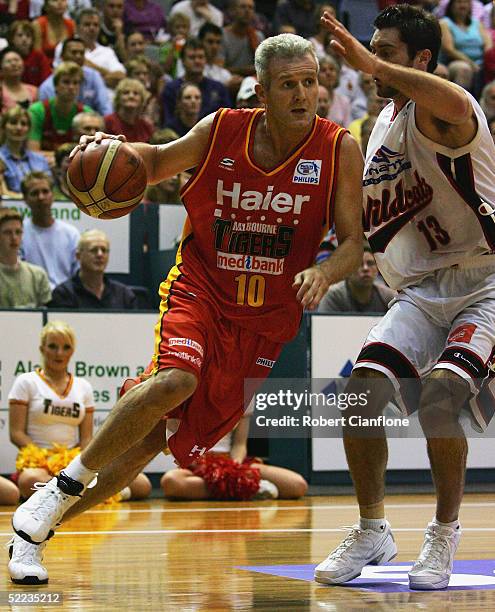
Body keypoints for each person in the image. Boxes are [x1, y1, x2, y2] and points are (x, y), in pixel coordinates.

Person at [8, 32, 363, 584]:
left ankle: (34, 530)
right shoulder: (222, 127)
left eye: (311, 82)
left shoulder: (338, 146)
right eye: (288, 85)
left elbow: (353, 244)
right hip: (202, 284)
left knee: (153, 439)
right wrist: (114, 152)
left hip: (264, 320)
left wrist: (324, 270)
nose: (302, 94)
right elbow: (151, 163)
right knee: (175, 381)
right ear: (262, 93)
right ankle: (61, 486)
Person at [313, 5, 495, 591]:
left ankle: (443, 535)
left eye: (383, 53)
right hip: (422, 289)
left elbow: (458, 103)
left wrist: (371, 64)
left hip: (485, 281)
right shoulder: (377, 133)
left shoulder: (446, 114)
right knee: (359, 393)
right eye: (371, 50)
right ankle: (373, 528)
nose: (370, 63)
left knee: (440, 399)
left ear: (421, 60)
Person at [7, 320, 150, 584]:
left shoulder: (83, 387)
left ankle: (78, 492)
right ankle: (47, 513)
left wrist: (74, 461)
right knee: (29, 481)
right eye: (53, 347)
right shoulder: (26, 381)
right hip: (37, 458)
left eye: (65, 347)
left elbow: (87, 439)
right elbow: (16, 433)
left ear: (72, 351)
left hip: (70, 460)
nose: (59, 353)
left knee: (140, 483)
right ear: (42, 349)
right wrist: (42, 456)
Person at [161, 405, 308, 501]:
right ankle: (245, 488)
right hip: (195, 462)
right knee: (172, 482)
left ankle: (234, 486)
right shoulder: (190, 382)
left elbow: (239, 444)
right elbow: (174, 438)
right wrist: (203, 466)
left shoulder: (244, 392)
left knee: (297, 485)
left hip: (229, 461)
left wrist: (233, 469)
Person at [49, 229, 139, 309]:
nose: (100, 255)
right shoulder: (63, 294)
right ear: (78, 256)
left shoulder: (124, 295)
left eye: (104, 250)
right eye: (93, 250)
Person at [20, 170, 80, 288]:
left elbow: (79, 274)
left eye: (45, 191)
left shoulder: (71, 234)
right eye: (34, 193)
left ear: (52, 195)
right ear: (25, 199)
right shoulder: (19, 233)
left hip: (66, 300)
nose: (41, 197)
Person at [161, 38, 231, 124]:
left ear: (206, 60)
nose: (197, 61)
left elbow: (228, 120)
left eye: (201, 57)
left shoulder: (219, 88)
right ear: (182, 61)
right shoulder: (171, 89)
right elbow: (168, 122)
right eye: (192, 57)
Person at [28, 61, 92, 154]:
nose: (71, 87)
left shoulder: (86, 114)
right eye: (66, 82)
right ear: (56, 85)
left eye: (75, 83)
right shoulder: (37, 111)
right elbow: (33, 153)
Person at [38, 37, 112, 117]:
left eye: (81, 53)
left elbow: (105, 107)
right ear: (62, 56)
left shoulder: (94, 76)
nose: (78, 56)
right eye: (74, 52)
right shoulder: (47, 87)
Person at [319, 246, 395, 314]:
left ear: (378, 269)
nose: (366, 268)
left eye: (370, 263)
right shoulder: (333, 296)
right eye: (359, 264)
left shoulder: (389, 297)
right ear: (347, 270)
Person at [0, 208, 51, 308]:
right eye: (7, 232)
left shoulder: (37, 275)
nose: (14, 237)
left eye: (18, 232)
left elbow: (45, 315)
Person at [439, 0, 492, 93]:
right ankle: (463, 103)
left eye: (466, 2)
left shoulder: (477, 23)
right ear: (451, 6)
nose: (463, 5)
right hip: (454, 61)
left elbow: (488, 44)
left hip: (481, 62)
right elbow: (449, 49)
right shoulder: (444, 23)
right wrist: (471, 63)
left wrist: (487, 60)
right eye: (459, 2)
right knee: (464, 69)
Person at [0, 106, 51, 198]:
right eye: (13, 122)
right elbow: (3, 193)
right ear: (3, 127)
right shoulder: (1, 158)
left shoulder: (40, 160)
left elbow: (49, 190)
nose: (19, 127)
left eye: (23, 124)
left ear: (29, 129)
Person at [221, 0, 264, 78]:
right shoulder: (222, 35)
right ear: (232, 11)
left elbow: (263, 67)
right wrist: (244, 70)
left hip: (252, 82)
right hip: (228, 81)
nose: (247, 11)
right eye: (243, 7)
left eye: (251, 8)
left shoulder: (258, 36)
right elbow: (218, 69)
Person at [104, 78, 153, 142]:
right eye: (126, 93)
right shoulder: (108, 122)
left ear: (142, 100)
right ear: (118, 98)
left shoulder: (146, 126)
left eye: (136, 93)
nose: (131, 96)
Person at [7, 21, 52, 87]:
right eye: (20, 35)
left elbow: (47, 81)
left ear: (32, 40)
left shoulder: (39, 56)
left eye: (28, 36)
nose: (24, 39)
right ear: (12, 39)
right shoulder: (7, 56)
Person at [33, 0, 75, 66]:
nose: (60, 3)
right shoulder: (38, 25)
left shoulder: (71, 25)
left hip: (67, 68)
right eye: (55, 0)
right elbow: (37, 56)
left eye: (63, 0)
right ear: (46, 6)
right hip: (44, 68)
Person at [0, 47, 38, 112]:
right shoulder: (1, 91)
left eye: (16, 60)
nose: (14, 64)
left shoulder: (34, 91)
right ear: (1, 69)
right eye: (8, 61)